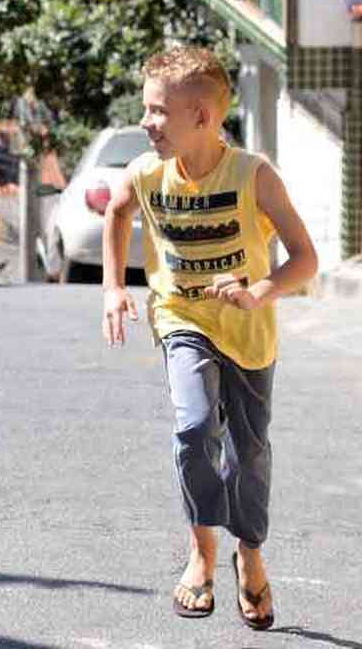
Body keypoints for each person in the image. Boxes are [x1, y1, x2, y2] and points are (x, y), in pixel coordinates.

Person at [101, 47, 317, 631]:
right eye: (147, 109)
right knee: (194, 429)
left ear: (201, 117)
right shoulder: (146, 173)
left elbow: (305, 260)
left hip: (248, 331)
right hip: (182, 318)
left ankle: (250, 550)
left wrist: (260, 292)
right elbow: (118, 212)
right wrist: (114, 288)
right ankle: (202, 553)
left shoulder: (253, 175)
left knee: (247, 452)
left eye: (157, 111)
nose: (146, 122)